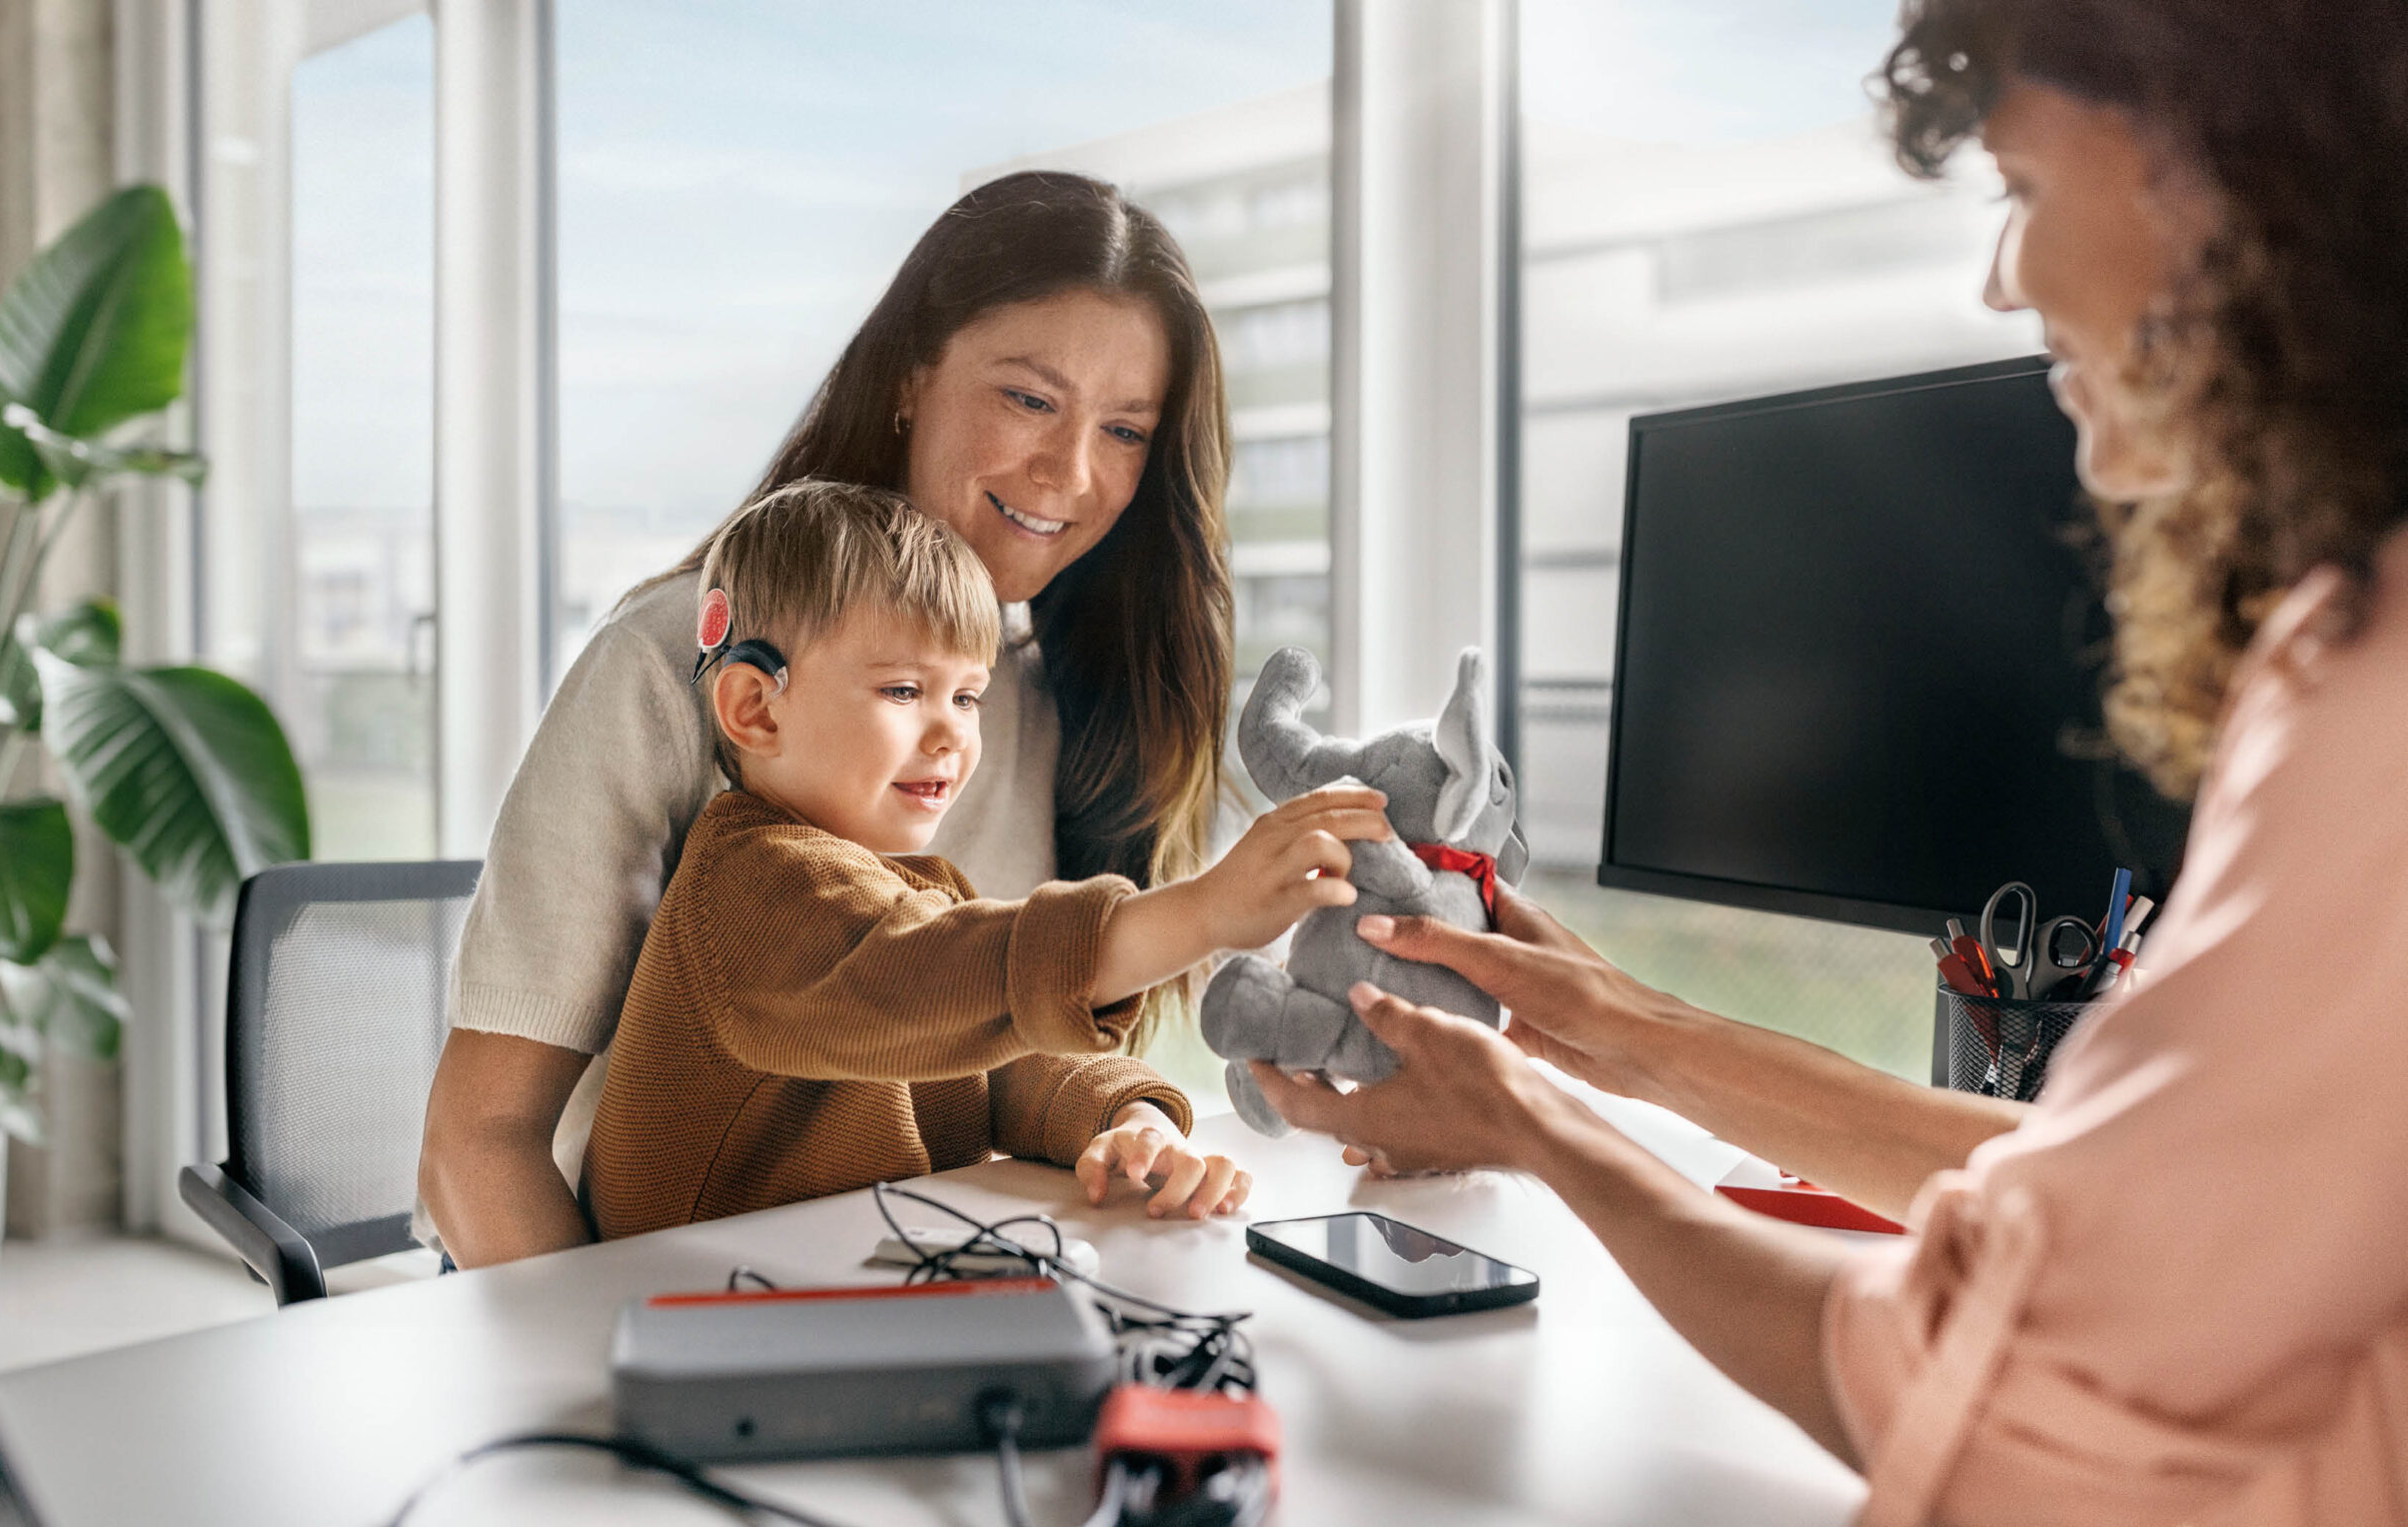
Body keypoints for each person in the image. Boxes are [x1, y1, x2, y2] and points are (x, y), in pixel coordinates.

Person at [1252, 4, 2408, 1523]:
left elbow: (2000, 1402)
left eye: (2022, 190)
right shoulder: (2355, 622)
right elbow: (2090, 1205)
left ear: (2227, 170)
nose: (2003, 278)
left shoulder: (2371, 696)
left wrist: (1539, 1129)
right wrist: (1619, 1027)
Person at [420, 171, 1239, 1267]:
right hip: (647, 1301)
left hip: (916, 1284)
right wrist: (617, 1401)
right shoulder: (676, 660)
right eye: (1030, 400)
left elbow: (996, 1050)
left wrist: (1129, 1114)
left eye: (1128, 430)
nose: (1072, 472)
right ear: (911, 376)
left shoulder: (1049, 700)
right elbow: (478, 1142)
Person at [587, 480, 1386, 1238]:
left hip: (851, 1276)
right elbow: (928, 979)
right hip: (701, 1312)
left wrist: (1128, 1121)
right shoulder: (744, 890)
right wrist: (1205, 911)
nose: (950, 734)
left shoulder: (909, 893)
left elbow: (1004, 1063)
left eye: (965, 696)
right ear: (755, 710)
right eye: (903, 691)